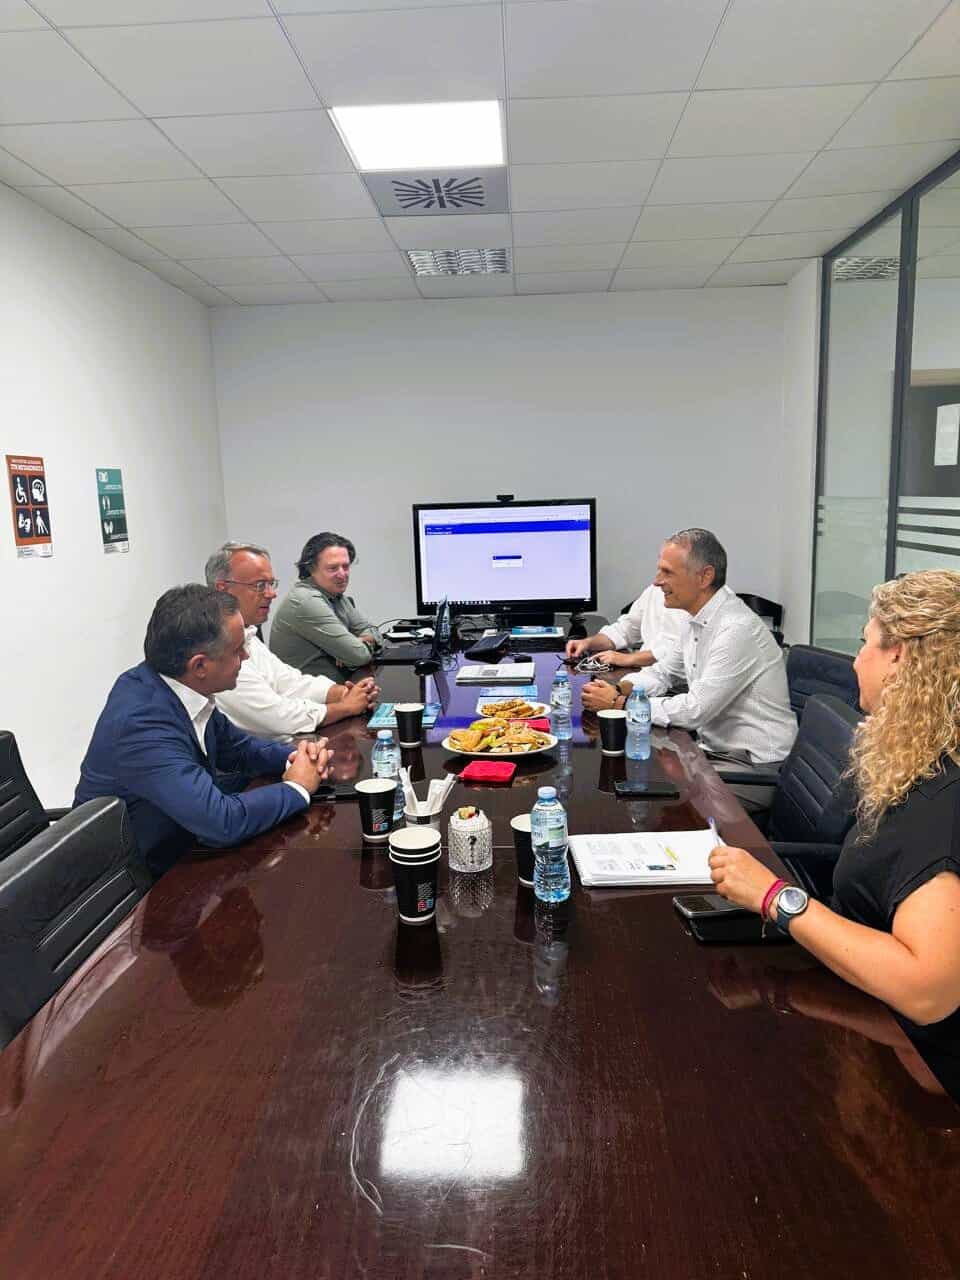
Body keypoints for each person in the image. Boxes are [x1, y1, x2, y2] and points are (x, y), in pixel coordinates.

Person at [709, 570, 960, 1101]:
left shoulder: (945, 802)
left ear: (900, 658)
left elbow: (927, 993)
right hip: (861, 1008)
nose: (855, 662)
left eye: (865, 644)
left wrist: (774, 897)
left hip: (912, 1070)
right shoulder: (920, 761)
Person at [74, 585, 331, 880]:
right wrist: (297, 787)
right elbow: (221, 822)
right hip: (133, 882)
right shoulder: (142, 725)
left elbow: (239, 748)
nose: (247, 656)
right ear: (199, 665)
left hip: (182, 843)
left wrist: (299, 757)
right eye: (237, 650)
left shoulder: (179, 686)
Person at [581, 529, 796, 775]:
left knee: (641, 781)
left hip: (755, 765)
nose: (657, 581)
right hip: (715, 751)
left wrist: (620, 704)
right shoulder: (693, 618)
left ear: (704, 577)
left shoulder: (736, 629)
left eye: (667, 572)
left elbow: (695, 710)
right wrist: (619, 689)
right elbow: (663, 673)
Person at [204, 541, 378, 739]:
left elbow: (289, 681)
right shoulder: (215, 648)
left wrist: (342, 693)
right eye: (260, 585)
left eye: (271, 584)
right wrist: (345, 707)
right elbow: (276, 716)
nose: (272, 594)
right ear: (223, 589)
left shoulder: (248, 634)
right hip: (272, 750)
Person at [269, 532, 383, 683]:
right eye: (333, 568)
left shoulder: (334, 594)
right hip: (309, 695)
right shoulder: (306, 601)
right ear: (311, 568)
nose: (342, 574)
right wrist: (355, 648)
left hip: (336, 687)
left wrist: (361, 642)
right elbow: (359, 655)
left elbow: (372, 630)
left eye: (345, 566)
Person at [565, 581, 682, 672]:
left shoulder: (690, 605)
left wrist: (630, 658)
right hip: (650, 677)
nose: (657, 580)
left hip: (679, 687)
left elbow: (677, 652)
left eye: (667, 571)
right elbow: (623, 630)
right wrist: (588, 643)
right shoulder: (654, 591)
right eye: (659, 569)